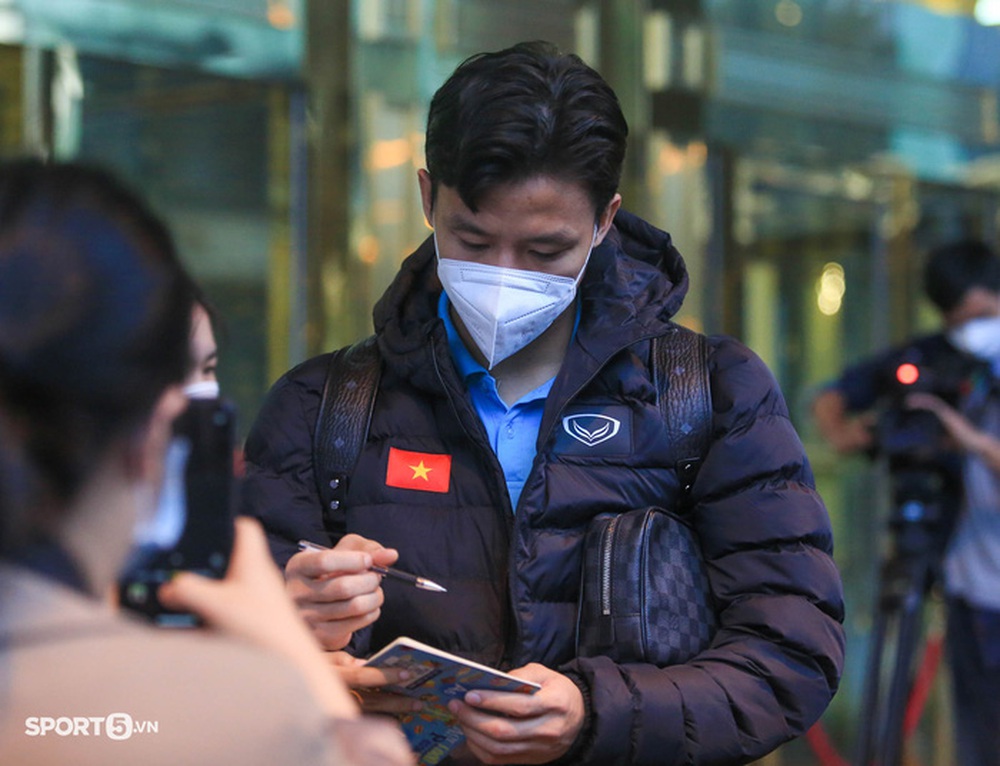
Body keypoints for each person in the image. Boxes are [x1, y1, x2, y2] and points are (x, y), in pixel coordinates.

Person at [244, 41, 845, 765]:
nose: (503, 276)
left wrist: (595, 714)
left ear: (605, 220)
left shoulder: (709, 394)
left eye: (545, 251)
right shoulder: (326, 408)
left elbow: (791, 656)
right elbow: (213, 659)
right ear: (427, 197)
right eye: (472, 238)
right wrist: (294, 629)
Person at [0, 159, 414, 766]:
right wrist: (294, 674)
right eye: (180, 381)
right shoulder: (228, 712)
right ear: (153, 435)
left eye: (210, 371)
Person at [813, 239, 1000, 766]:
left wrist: (969, 438)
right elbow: (834, 396)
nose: (972, 333)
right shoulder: (935, 356)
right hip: (968, 577)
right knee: (979, 730)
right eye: (958, 321)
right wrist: (847, 433)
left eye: (983, 315)